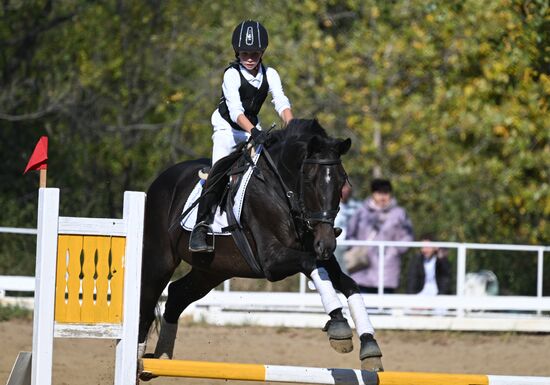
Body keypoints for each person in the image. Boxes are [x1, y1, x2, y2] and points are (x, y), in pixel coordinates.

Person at [189, 20, 294, 252]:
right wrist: (254, 132)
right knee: (217, 173)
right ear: (237, 52)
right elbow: (235, 111)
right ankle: (201, 227)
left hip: (251, 128)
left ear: (262, 52)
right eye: (245, 53)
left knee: (269, 169)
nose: (249, 57)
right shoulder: (231, 75)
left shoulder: (271, 74)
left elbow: (281, 100)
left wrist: (292, 125)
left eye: (254, 53)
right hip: (228, 129)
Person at [344, 178, 414, 293]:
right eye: (379, 193)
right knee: (361, 306)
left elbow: (408, 236)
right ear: (373, 194)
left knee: (384, 308)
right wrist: (357, 249)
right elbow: (350, 234)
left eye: (386, 193)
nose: (382, 197)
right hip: (362, 268)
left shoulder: (399, 214)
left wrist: (394, 250)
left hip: (387, 270)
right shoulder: (361, 212)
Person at [333, 181, 362, 270]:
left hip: (352, 246)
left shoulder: (358, 206)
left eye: (346, 187)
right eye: (342, 187)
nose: (344, 190)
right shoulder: (329, 206)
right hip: (335, 245)